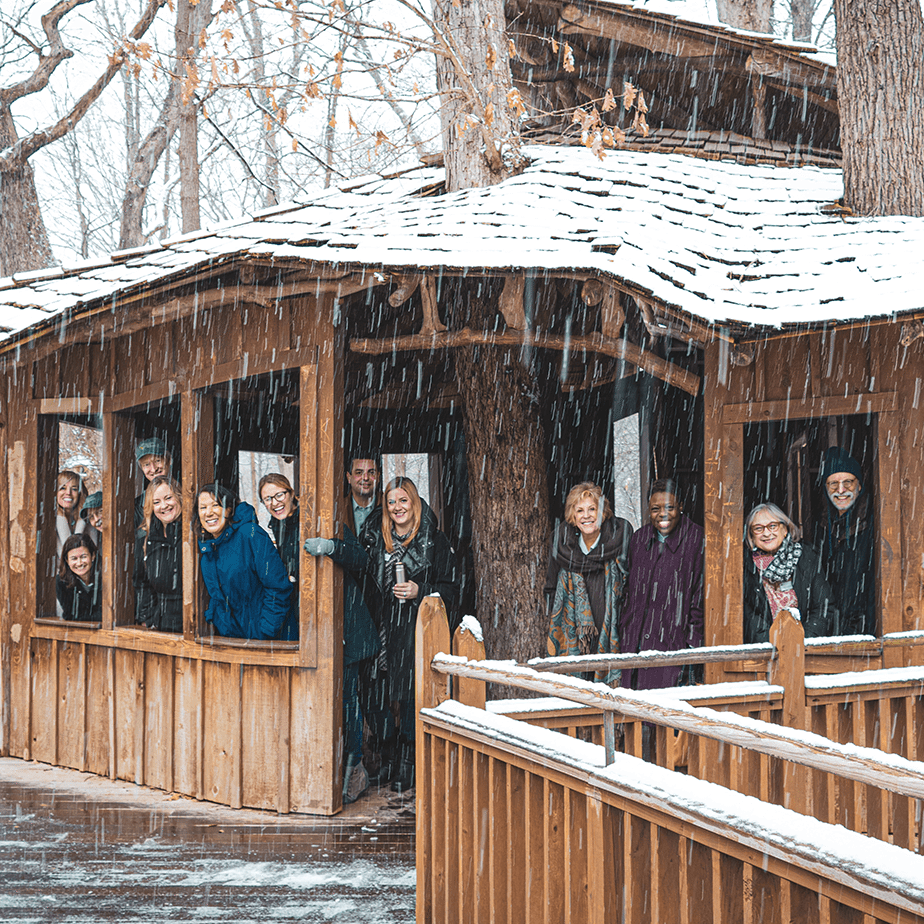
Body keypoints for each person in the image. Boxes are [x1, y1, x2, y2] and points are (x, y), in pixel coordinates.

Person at [358, 477, 457, 793]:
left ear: (414, 502)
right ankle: (388, 755)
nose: (397, 507)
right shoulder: (376, 539)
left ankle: (409, 762)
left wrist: (420, 590)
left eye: (403, 500)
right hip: (380, 628)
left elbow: (452, 589)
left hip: (413, 629)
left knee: (411, 696)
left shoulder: (434, 541)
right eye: (391, 502)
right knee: (373, 694)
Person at [303, 454, 381, 804]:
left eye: (371, 472)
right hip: (324, 626)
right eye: (358, 472)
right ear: (347, 477)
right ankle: (339, 766)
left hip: (359, 617)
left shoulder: (337, 517)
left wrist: (332, 547)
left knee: (360, 698)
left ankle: (359, 766)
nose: (364, 478)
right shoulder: (306, 520)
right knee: (340, 697)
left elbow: (360, 558)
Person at [619, 480, 704, 690]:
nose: (662, 514)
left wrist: (691, 645)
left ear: (681, 506)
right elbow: (629, 590)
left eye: (670, 507)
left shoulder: (697, 539)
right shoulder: (639, 539)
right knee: (634, 703)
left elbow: (701, 595)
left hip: (674, 644)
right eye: (655, 509)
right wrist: (626, 629)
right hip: (635, 642)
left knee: (666, 704)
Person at [545, 482, 631, 683]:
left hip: (612, 634)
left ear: (602, 513)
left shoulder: (618, 543)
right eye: (580, 510)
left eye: (592, 509)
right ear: (572, 517)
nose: (587, 516)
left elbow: (630, 585)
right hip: (573, 638)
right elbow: (551, 588)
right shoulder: (563, 550)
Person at [197, 483, 295, 640]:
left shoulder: (250, 534)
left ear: (229, 509)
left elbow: (278, 587)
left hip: (269, 640)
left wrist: (266, 631)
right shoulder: (208, 550)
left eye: (216, 505)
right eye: (202, 508)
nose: (208, 513)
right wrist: (220, 625)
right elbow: (219, 600)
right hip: (233, 640)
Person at [743, 502, 837, 643]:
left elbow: (823, 607)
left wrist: (802, 640)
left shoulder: (806, 557)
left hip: (806, 647)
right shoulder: (744, 565)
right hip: (764, 648)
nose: (766, 533)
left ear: (785, 529)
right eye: (758, 528)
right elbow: (747, 613)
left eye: (772, 526)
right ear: (751, 535)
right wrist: (771, 642)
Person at [816, 447, 875, 636]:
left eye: (848, 482)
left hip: (868, 628)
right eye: (833, 483)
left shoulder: (874, 524)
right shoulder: (821, 528)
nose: (840, 490)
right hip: (832, 629)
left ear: (859, 486)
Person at [134, 476, 184, 633]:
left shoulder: (194, 532)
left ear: (179, 497)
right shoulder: (146, 539)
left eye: (168, 498)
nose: (164, 506)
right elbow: (142, 582)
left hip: (195, 624)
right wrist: (149, 618)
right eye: (156, 502)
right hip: (162, 626)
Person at [259, 473, 299, 629]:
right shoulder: (276, 526)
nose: (275, 503)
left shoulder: (308, 519)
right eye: (267, 499)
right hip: (294, 607)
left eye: (279, 495)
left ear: (291, 494)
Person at [57, 533, 101, 622]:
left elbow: (106, 615)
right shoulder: (61, 581)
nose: (79, 563)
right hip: (75, 629)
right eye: (74, 558)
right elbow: (70, 616)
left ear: (93, 556)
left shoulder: (106, 577)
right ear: (67, 560)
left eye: (83, 557)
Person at [134, 438, 172, 527]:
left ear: (169, 460)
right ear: (142, 468)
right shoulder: (137, 506)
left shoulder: (185, 494)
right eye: (146, 464)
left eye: (157, 461)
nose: (154, 469)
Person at [56, 470, 87, 557]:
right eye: (63, 488)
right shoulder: (48, 520)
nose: (68, 493)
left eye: (74, 489)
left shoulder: (88, 519)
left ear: (80, 493)